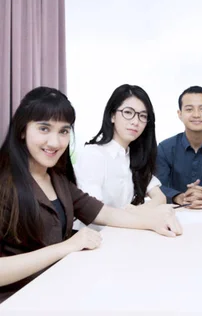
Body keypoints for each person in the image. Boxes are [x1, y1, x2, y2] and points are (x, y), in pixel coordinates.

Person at [0, 87, 182, 304]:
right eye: (44, 128)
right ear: (22, 130)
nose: (55, 142)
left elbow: (104, 213)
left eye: (64, 131)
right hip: (18, 300)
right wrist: (67, 246)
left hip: (57, 287)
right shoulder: (5, 184)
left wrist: (153, 222)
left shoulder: (57, 180)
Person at [75, 85, 166, 221]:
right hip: (93, 236)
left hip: (124, 234)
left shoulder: (134, 157)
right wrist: (139, 215)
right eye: (128, 112)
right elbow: (95, 212)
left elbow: (160, 197)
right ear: (112, 116)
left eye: (142, 116)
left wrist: (137, 211)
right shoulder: (93, 154)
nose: (135, 122)